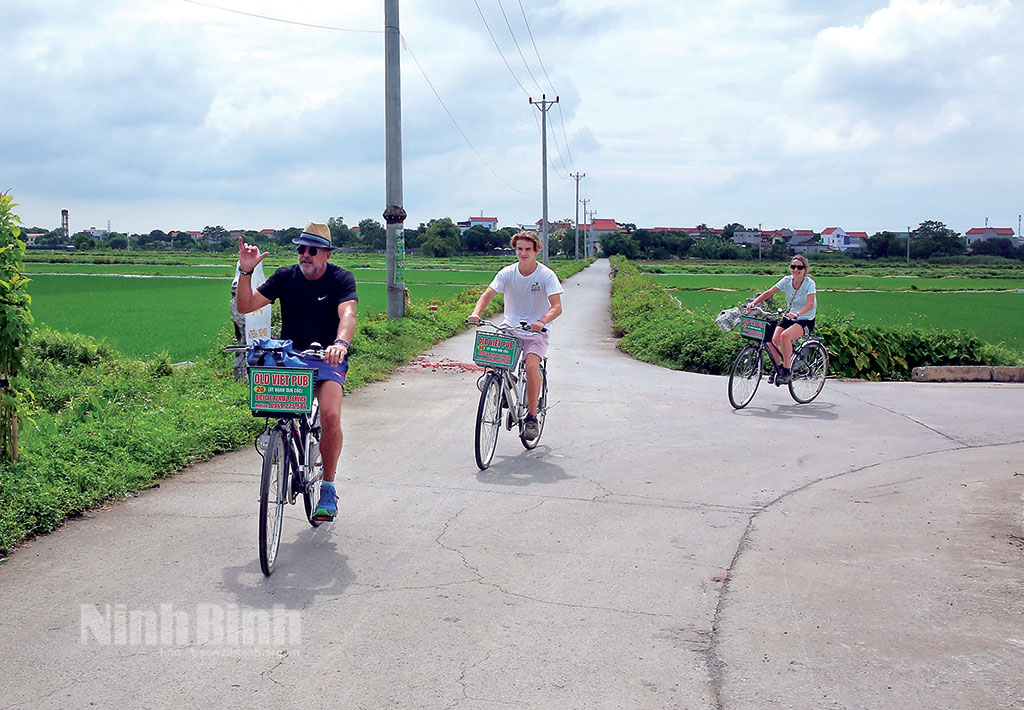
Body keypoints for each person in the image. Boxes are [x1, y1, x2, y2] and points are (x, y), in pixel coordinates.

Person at [235, 222, 357, 522]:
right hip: (290, 356)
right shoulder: (285, 277)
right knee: (280, 411)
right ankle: (287, 444)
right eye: (301, 249)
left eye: (312, 250)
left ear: (326, 254)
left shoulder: (341, 278)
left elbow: (348, 313)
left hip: (327, 356)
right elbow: (247, 305)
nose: (305, 255)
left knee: (329, 415)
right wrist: (246, 272)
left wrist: (340, 343)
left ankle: (327, 487)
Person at [467, 231, 564, 440]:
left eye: (528, 249)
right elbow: (487, 295)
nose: (523, 253)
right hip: (510, 327)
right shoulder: (507, 273)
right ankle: (501, 387)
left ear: (536, 250)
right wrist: (476, 313)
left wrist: (542, 321)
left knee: (530, 367)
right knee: (492, 361)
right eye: (519, 249)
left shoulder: (545, 275)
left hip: (535, 331)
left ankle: (531, 417)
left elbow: (557, 306)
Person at [745, 254, 816, 384]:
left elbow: (810, 304)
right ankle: (779, 368)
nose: (796, 270)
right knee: (771, 341)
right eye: (793, 266)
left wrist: (797, 314)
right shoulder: (786, 280)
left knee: (786, 336)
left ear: (805, 269)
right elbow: (769, 292)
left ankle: (787, 371)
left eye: (799, 267)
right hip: (790, 316)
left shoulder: (809, 283)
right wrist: (754, 303)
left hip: (806, 318)